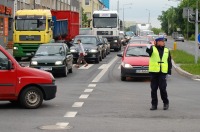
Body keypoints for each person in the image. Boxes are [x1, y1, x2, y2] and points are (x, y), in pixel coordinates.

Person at [146, 37, 172, 110]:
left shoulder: (167, 50)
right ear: (157, 42)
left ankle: (165, 103)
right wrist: (149, 46)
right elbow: (148, 51)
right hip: (154, 72)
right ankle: (154, 105)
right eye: (162, 41)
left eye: (163, 41)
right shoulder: (152, 49)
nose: (163, 42)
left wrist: (169, 72)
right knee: (154, 89)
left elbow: (169, 62)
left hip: (162, 72)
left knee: (163, 89)